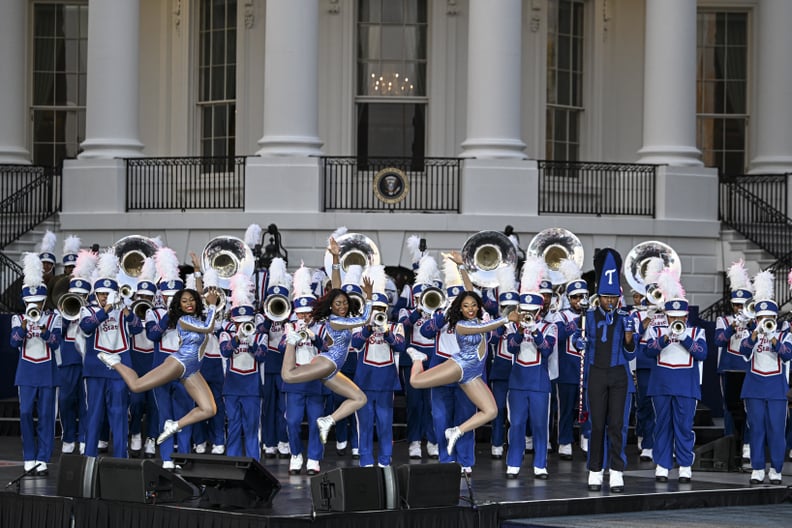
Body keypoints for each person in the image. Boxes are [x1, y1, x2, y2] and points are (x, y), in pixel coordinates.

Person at [405, 252, 521, 459]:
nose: (470, 308)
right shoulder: (457, 321)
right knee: (427, 399)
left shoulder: (481, 315)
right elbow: (426, 331)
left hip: (473, 373)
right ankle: (417, 359)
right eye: (464, 305)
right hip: (455, 364)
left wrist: (461, 268)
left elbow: (471, 292)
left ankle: (459, 439)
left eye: (472, 305)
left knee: (488, 411)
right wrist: (505, 319)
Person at [98, 287, 221, 446]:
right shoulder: (184, 320)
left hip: (192, 369)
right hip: (180, 362)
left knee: (209, 409)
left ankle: (175, 425)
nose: (189, 303)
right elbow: (208, 328)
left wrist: (198, 273)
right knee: (136, 386)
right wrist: (212, 305)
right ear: (179, 306)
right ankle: (115, 362)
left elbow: (206, 319)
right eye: (184, 301)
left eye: (191, 300)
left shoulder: (197, 319)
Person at [281, 237, 373, 445]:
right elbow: (365, 319)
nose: (342, 306)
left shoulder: (342, 316)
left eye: (344, 303)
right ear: (331, 307)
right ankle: (291, 341)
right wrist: (368, 298)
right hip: (326, 362)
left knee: (360, 399)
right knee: (287, 376)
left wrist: (336, 257)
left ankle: (327, 420)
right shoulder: (337, 320)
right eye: (338, 303)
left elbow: (336, 287)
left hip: (332, 370)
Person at [575, 248, 636, 493]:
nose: (609, 301)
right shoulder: (587, 317)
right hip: (596, 374)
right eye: (605, 297)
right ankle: (595, 469)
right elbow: (580, 343)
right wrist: (578, 343)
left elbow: (631, 354)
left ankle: (617, 471)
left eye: (613, 297)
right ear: (598, 295)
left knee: (617, 424)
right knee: (597, 425)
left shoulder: (625, 317)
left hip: (619, 374)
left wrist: (630, 337)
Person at [645, 296, 707, 483]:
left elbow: (702, 353)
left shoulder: (697, 332)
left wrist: (684, 338)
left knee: (684, 426)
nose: (676, 321)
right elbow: (648, 351)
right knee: (662, 424)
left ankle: (685, 465)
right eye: (672, 317)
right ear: (666, 316)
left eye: (680, 317)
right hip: (661, 385)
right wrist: (665, 338)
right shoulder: (655, 330)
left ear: (686, 317)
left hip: (686, 387)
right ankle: (662, 465)